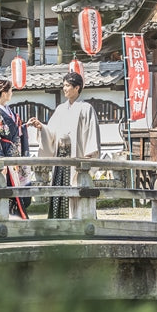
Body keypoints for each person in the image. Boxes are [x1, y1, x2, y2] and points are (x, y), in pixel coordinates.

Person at [27, 71, 101, 219]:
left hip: (77, 157)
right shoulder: (60, 109)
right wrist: (41, 127)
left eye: (68, 86)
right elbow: (51, 133)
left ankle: (79, 219)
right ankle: (58, 220)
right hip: (61, 159)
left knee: (77, 189)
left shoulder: (86, 109)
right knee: (60, 190)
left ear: (77, 88)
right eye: (64, 85)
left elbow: (92, 133)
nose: (65, 89)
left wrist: (89, 155)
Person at [0, 78, 31, 219]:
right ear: (4, 93)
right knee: (9, 190)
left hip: (13, 157)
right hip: (5, 157)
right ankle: (11, 217)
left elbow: (14, 131)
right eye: (10, 90)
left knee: (19, 191)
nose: (11, 93)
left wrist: (25, 126)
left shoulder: (8, 112)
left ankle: (16, 217)